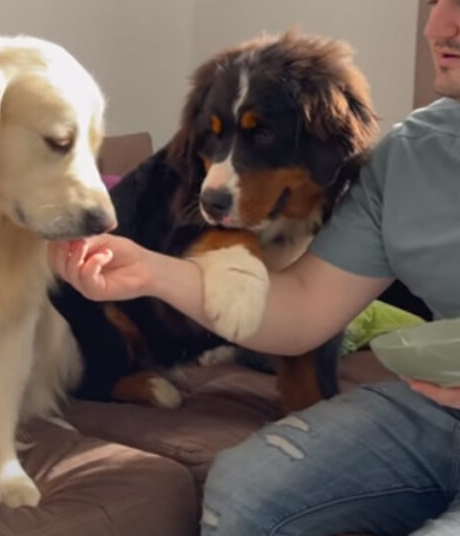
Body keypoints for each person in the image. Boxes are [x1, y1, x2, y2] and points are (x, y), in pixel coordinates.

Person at [49, 1, 460, 534]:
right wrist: (150, 270)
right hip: (438, 409)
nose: (441, 24)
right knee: (245, 491)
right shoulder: (410, 155)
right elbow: (307, 307)